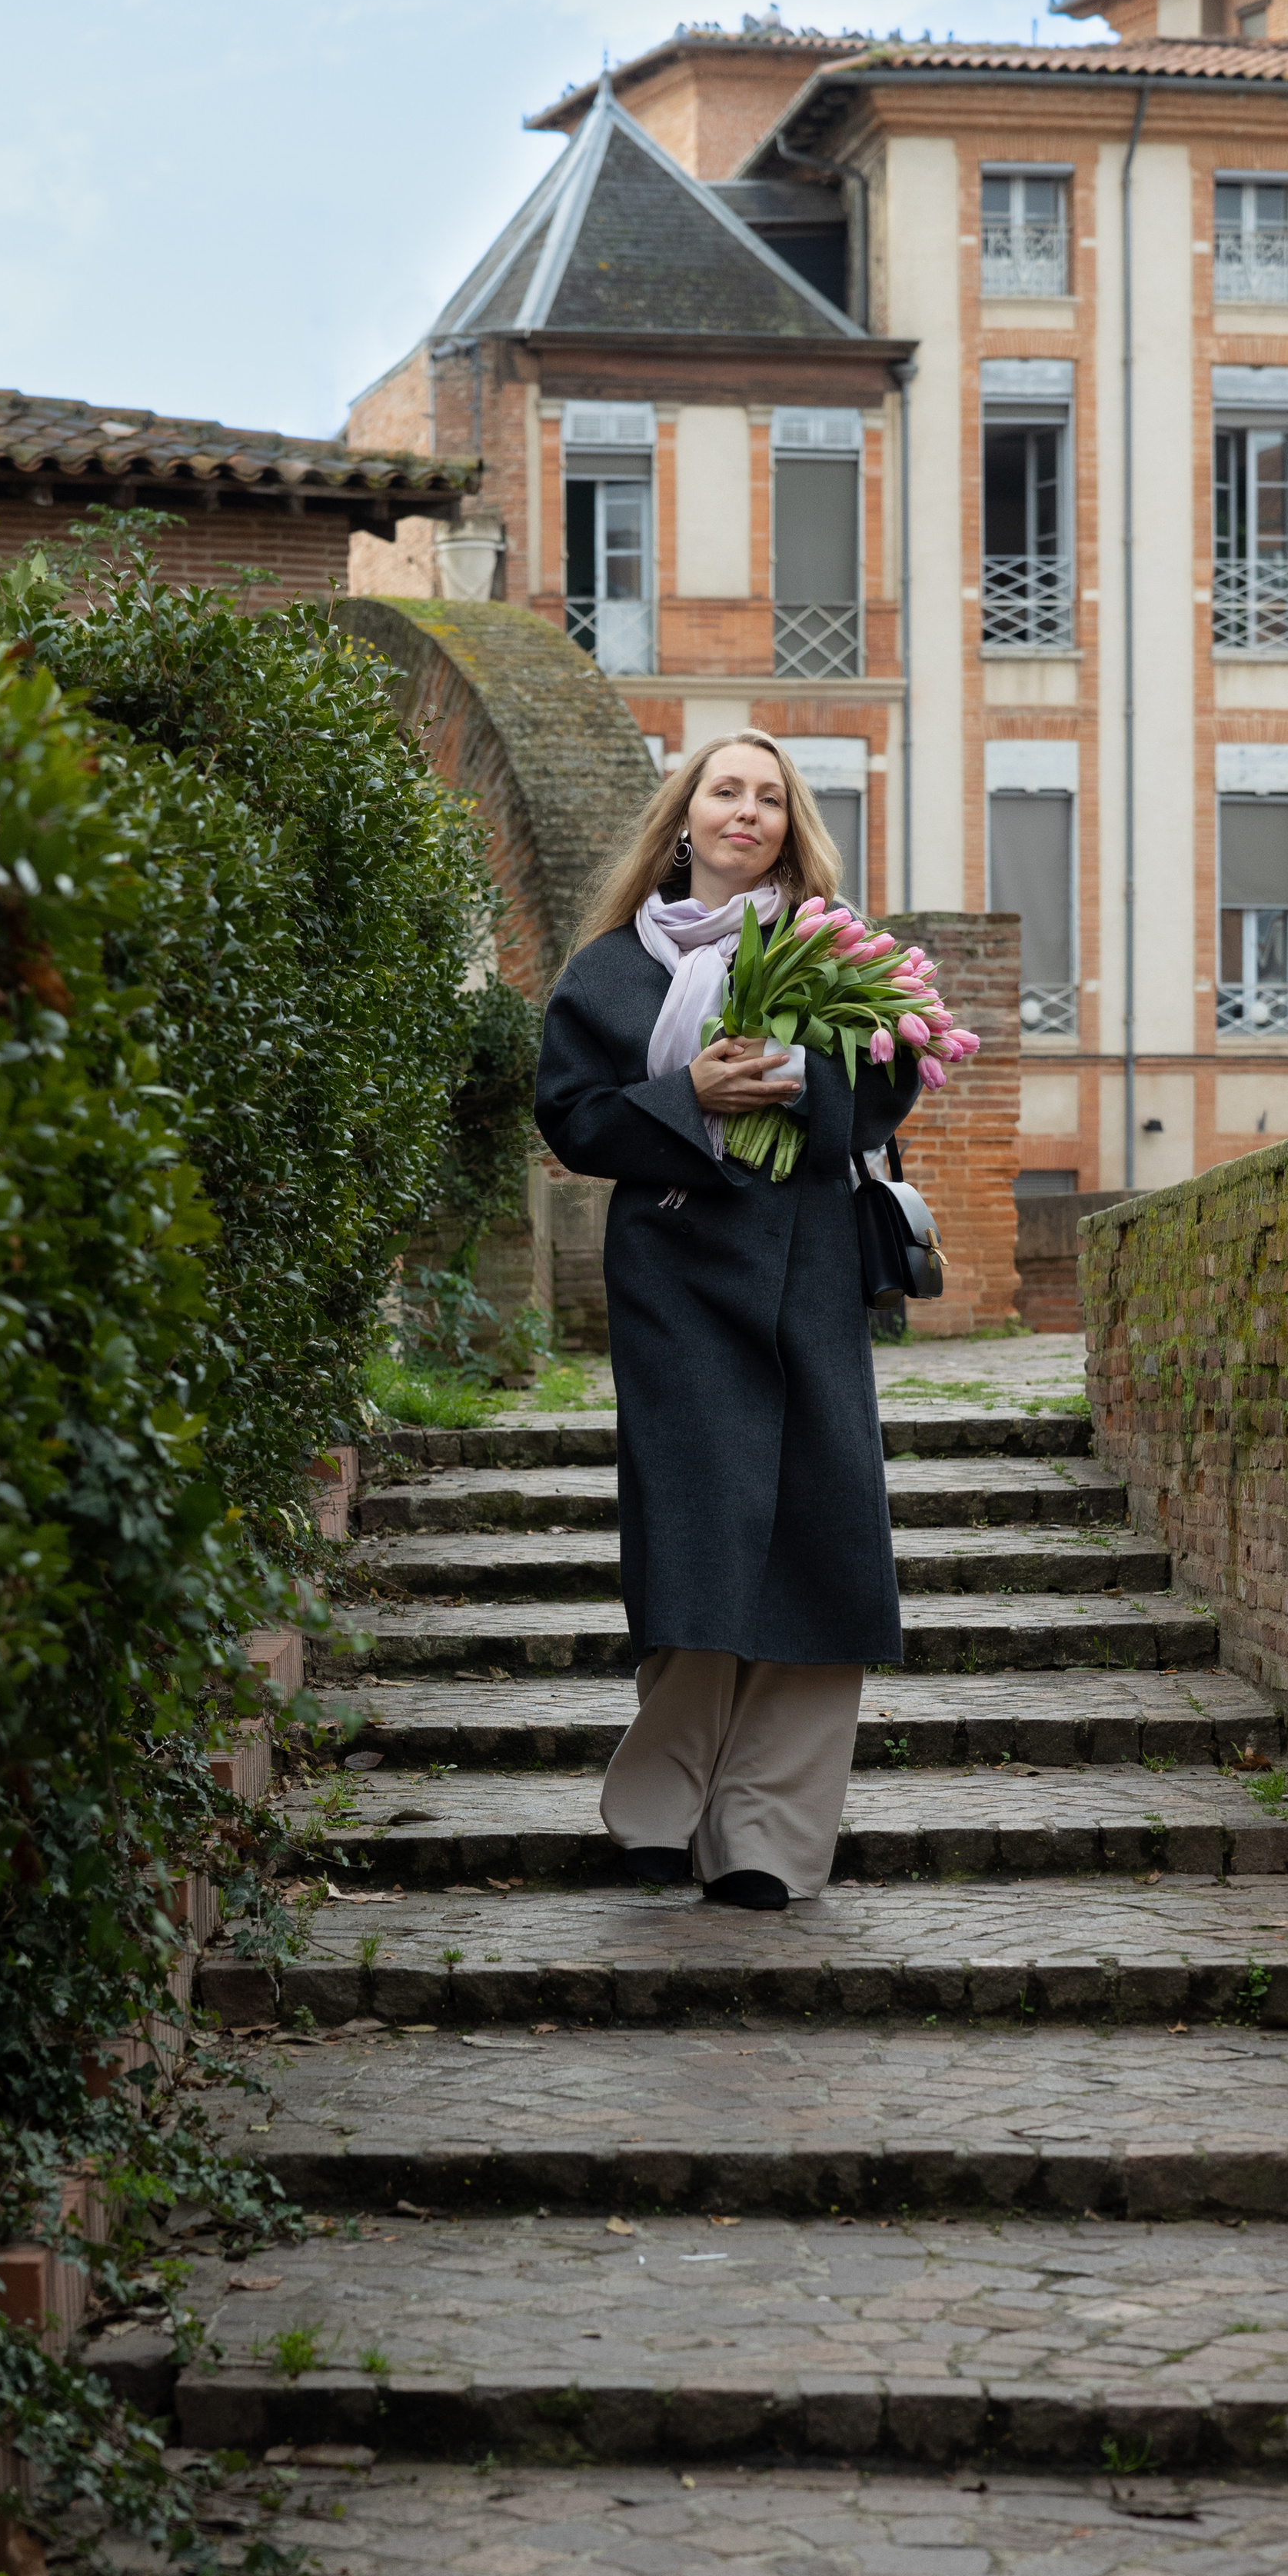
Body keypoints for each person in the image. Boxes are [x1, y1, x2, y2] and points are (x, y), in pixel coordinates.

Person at [534, 730, 920, 1913]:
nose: (745, 810)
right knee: (691, 1531)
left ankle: (767, 1839)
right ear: (686, 819)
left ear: (789, 825)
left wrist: (812, 1079)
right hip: (673, 1273)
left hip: (804, 1271)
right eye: (724, 791)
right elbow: (571, 1118)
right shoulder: (609, 968)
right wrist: (684, 1097)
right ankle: (659, 1808)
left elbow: (894, 1087)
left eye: (769, 795)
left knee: (819, 1534)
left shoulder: (837, 955)